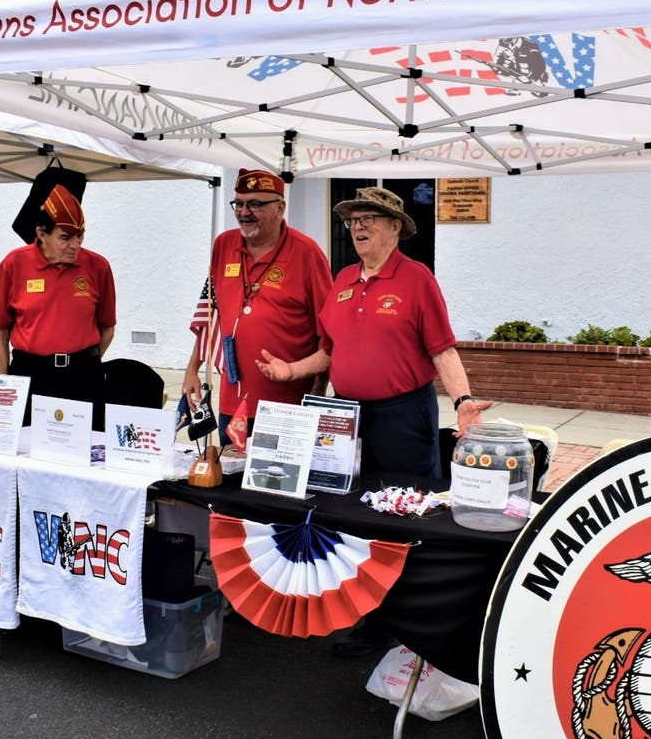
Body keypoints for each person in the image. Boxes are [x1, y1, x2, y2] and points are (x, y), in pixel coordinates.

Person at [255, 186, 493, 656]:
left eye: (369, 219)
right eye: (353, 220)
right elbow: (329, 351)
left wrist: (463, 399)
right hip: (347, 418)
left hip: (403, 416)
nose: (357, 227)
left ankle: (408, 625)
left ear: (394, 229)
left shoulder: (417, 278)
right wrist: (290, 371)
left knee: (404, 516)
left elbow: (441, 348)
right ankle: (367, 615)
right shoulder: (343, 279)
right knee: (354, 515)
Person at [182, 168, 333, 446]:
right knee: (231, 484)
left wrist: (317, 392)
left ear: (280, 208)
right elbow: (213, 314)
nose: (243, 212)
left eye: (255, 204)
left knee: (275, 484)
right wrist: (193, 367)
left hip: (286, 406)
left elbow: (329, 335)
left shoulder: (307, 254)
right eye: (238, 203)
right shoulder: (223, 245)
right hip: (232, 402)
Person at [0, 184, 116, 429]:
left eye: (80, 235)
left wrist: (81, 359)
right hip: (30, 374)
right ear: (41, 233)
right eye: (65, 237)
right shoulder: (14, 264)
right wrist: (5, 387)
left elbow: (107, 328)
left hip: (82, 376)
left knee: (86, 452)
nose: (75, 244)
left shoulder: (98, 267)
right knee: (26, 450)